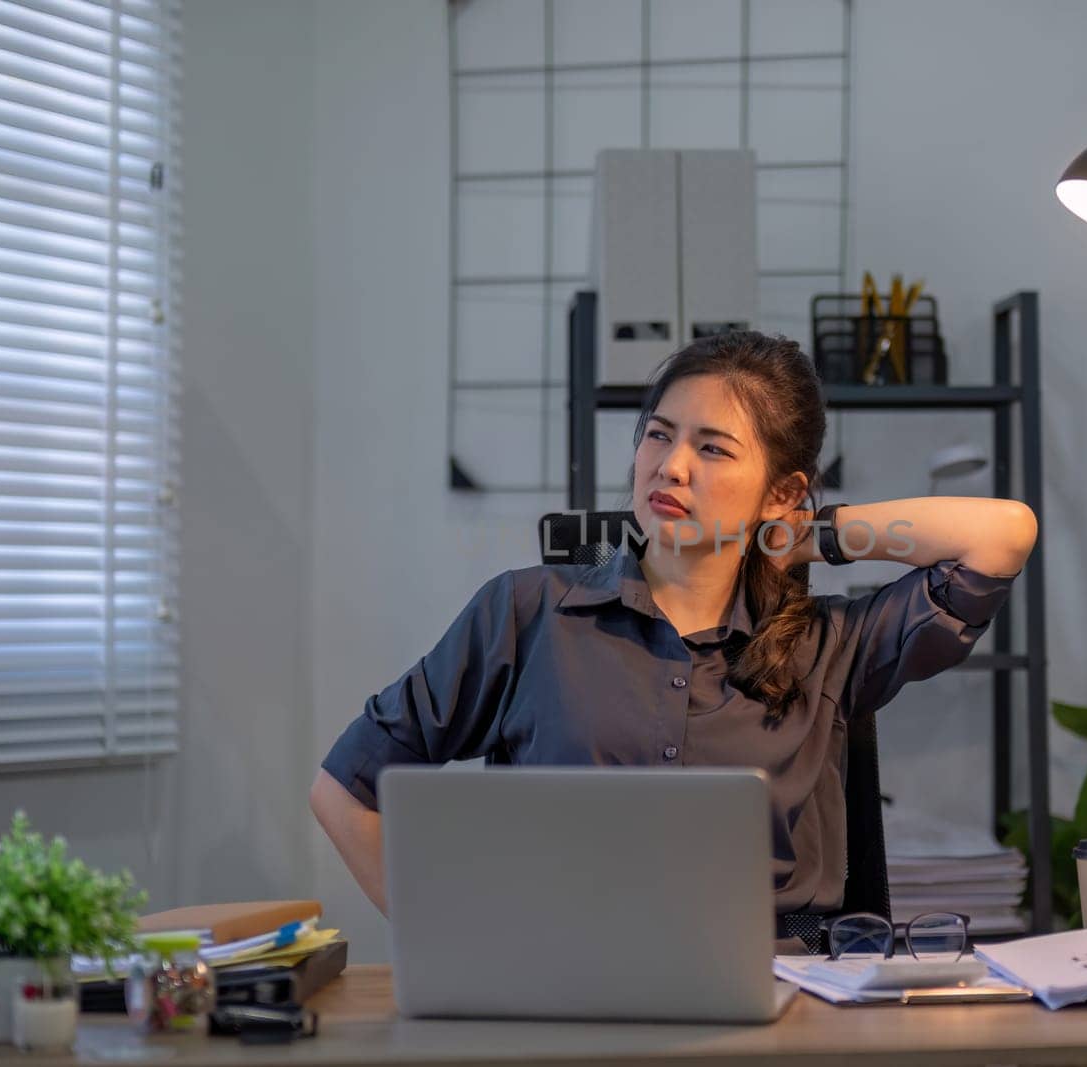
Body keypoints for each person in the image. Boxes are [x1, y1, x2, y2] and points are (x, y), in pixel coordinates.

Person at [310, 330, 1038, 948]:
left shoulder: (831, 644)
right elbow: (343, 788)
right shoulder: (529, 613)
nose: (671, 465)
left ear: (782, 489)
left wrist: (805, 536)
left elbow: (1004, 536)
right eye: (660, 433)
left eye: (714, 449)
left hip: (782, 1006)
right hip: (567, 998)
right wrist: (448, 945)